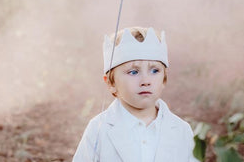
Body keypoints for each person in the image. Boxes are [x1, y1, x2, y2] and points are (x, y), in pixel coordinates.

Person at [72, 26, 198, 162]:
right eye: (133, 72)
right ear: (111, 83)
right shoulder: (98, 129)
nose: (146, 81)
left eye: (154, 71)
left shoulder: (181, 130)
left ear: (164, 79)